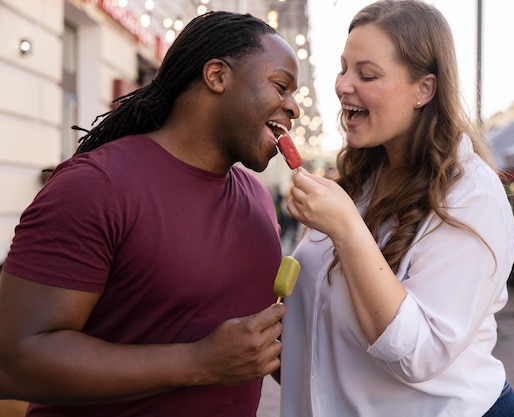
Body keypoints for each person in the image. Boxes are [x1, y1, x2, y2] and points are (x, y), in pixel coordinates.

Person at [0, 10, 300, 417]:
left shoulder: (259, 199)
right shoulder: (96, 186)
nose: (294, 107)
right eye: (281, 86)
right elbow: (13, 362)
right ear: (217, 76)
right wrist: (200, 363)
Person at [280, 1, 514, 416]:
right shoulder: (362, 176)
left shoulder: (471, 195)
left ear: (424, 89)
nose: (342, 85)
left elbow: (418, 354)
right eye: (343, 68)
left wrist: (347, 229)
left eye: (367, 74)